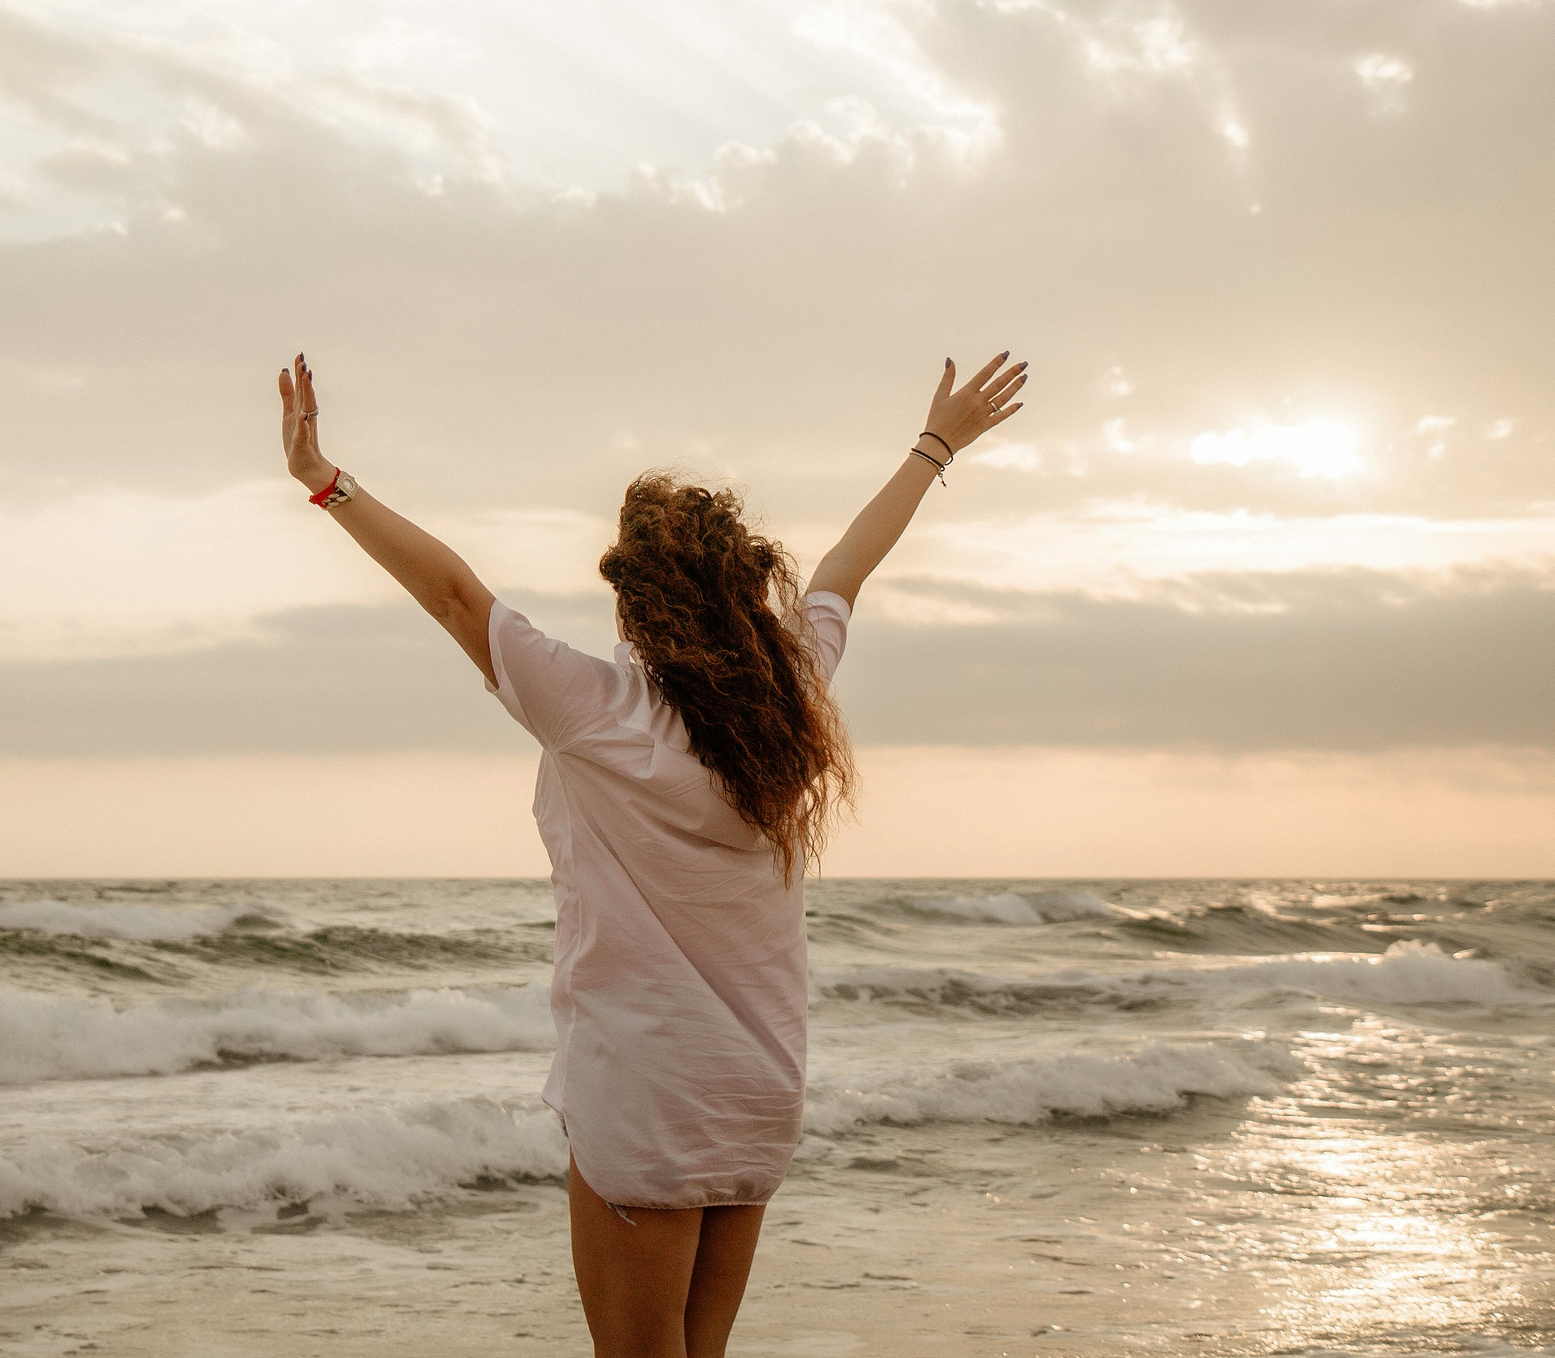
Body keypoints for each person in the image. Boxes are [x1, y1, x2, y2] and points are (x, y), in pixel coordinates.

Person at [274, 348, 1029, 1358]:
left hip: (648, 1092)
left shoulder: (596, 710)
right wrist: (937, 444)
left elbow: (454, 594)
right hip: (761, 1086)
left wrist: (327, 483)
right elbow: (852, 562)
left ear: (637, 603)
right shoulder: (792, 695)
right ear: (739, 593)